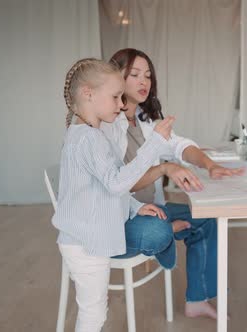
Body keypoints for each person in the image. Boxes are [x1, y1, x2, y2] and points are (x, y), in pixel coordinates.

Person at [102, 48, 244, 319]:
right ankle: (164, 231)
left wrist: (210, 165)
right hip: (118, 218)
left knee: (204, 219)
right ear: (116, 77)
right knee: (157, 230)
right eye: (134, 75)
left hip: (152, 209)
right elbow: (115, 185)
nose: (143, 81)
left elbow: (181, 146)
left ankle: (197, 298)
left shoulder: (144, 120)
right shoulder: (107, 124)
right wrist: (163, 169)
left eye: (148, 76)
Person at [52, 58, 175, 332]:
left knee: (95, 310)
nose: (121, 104)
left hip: (86, 239)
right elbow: (117, 183)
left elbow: (105, 187)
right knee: (93, 314)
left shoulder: (86, 134)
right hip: (86, 242)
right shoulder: (88, 139)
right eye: (116, 96)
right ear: (88, 93)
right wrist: (154, 143)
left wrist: (134, 208)